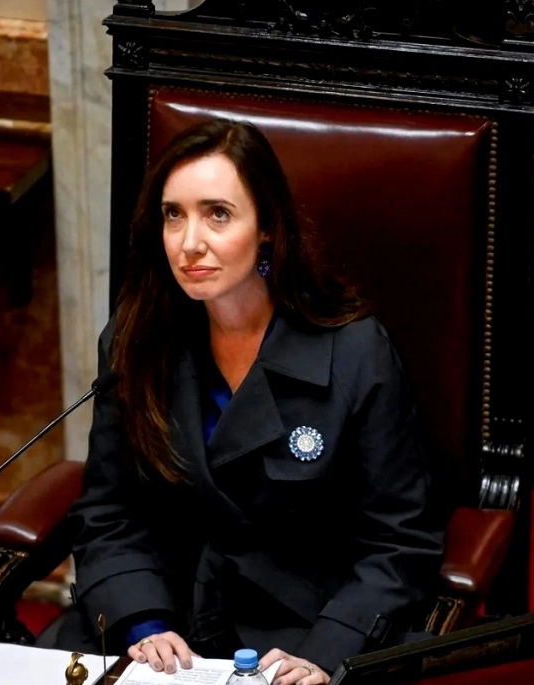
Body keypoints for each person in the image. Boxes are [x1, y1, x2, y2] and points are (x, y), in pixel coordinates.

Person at [47, 119, 444, 684]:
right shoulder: (137, 339)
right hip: (167, 623)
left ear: (267, 228)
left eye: (218, 214)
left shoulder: (355, 350)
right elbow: (110, 512)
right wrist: (143, 624)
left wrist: (328, 652)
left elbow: (400, 541)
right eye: (173, 215)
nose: (189, 243)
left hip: (303, 629)